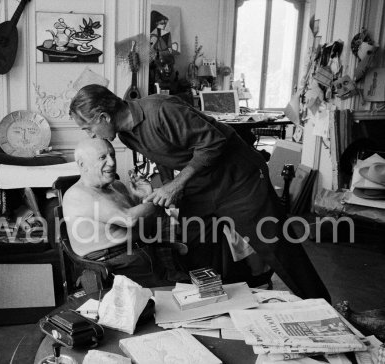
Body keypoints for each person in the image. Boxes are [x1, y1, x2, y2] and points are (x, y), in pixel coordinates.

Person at [69, 84, 330, 301]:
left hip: (239, 181)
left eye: (88, 128)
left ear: (103, 117)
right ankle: (219, 307)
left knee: (276, 247)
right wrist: (169, 188)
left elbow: (215, 142)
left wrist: (177, 184)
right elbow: (167, 158)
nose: (90, 134)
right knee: (196, 250)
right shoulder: (126, 136)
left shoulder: (161, 110)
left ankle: (323, 307)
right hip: (201, 186)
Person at [63, 138, 175, 286]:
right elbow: (128, 219)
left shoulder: (117, 185)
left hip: (142, 253)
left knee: (190, 286)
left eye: (112, 155)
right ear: (82, 165)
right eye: (102, 157)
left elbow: (143, 222)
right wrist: (157, 199)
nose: (112, 162)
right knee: (178, 295)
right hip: (114, 267)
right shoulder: (78, 194)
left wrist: (147, 195)